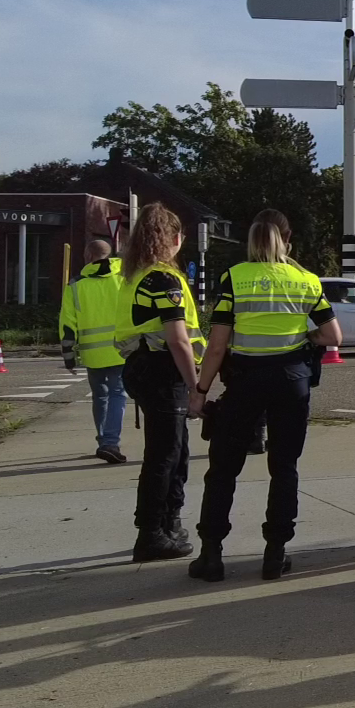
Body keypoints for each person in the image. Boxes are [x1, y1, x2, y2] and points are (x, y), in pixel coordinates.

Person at [188, 209, 340, 581]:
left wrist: (200, 391)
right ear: (287, 241)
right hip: (291, 380)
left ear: (250, 241)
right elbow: (333, 336)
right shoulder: (306, 279)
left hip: (245, 381)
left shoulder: (234, 279)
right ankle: (275, 553)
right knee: (284, 467)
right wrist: (303, 339)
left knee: (223, 468)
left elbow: (218, 344)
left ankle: (211, 555)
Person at [113, 203, 203, 563]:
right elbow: (179, 339)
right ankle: (153, 531)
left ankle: (167, 524)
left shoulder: (135, 276)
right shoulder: (164, 280)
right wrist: (196, 385)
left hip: (141, 366)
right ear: (175, 239)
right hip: (162, 369)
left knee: (172, 451)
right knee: (166, 455)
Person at [59, 235, 129, 463]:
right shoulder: (124, 279)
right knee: (118, 394)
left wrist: (69, 357)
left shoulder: (76, 285)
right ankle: (111, 442)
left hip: (92, 353)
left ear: (88, 257)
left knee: (100, 396)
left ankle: (103, 439)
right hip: (122, 350)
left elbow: (67, 324)